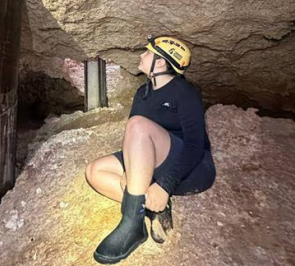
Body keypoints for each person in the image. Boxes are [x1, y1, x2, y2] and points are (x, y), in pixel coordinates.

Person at [84, 36, 216, 264]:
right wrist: (130, 171)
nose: (141, 56)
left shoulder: (184, 92)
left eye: (146, 53)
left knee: (137, 124)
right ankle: (153, 209)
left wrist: (165, 185)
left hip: (191, 168)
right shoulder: (141, 94)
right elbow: (134, 140)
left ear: (162, 63)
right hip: (152, 158)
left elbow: (195, 147)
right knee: (94, 171)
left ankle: (132, 225)